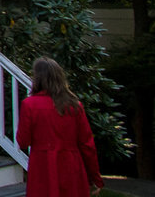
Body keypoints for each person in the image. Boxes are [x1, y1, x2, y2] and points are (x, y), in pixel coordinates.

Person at [17, 56, 103, 197]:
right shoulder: (74, 106)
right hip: (71, 166)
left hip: (42, 166)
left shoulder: (29, 105)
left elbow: (23, 141)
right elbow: (87, 145)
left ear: (37, 78)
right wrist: (95, 177)